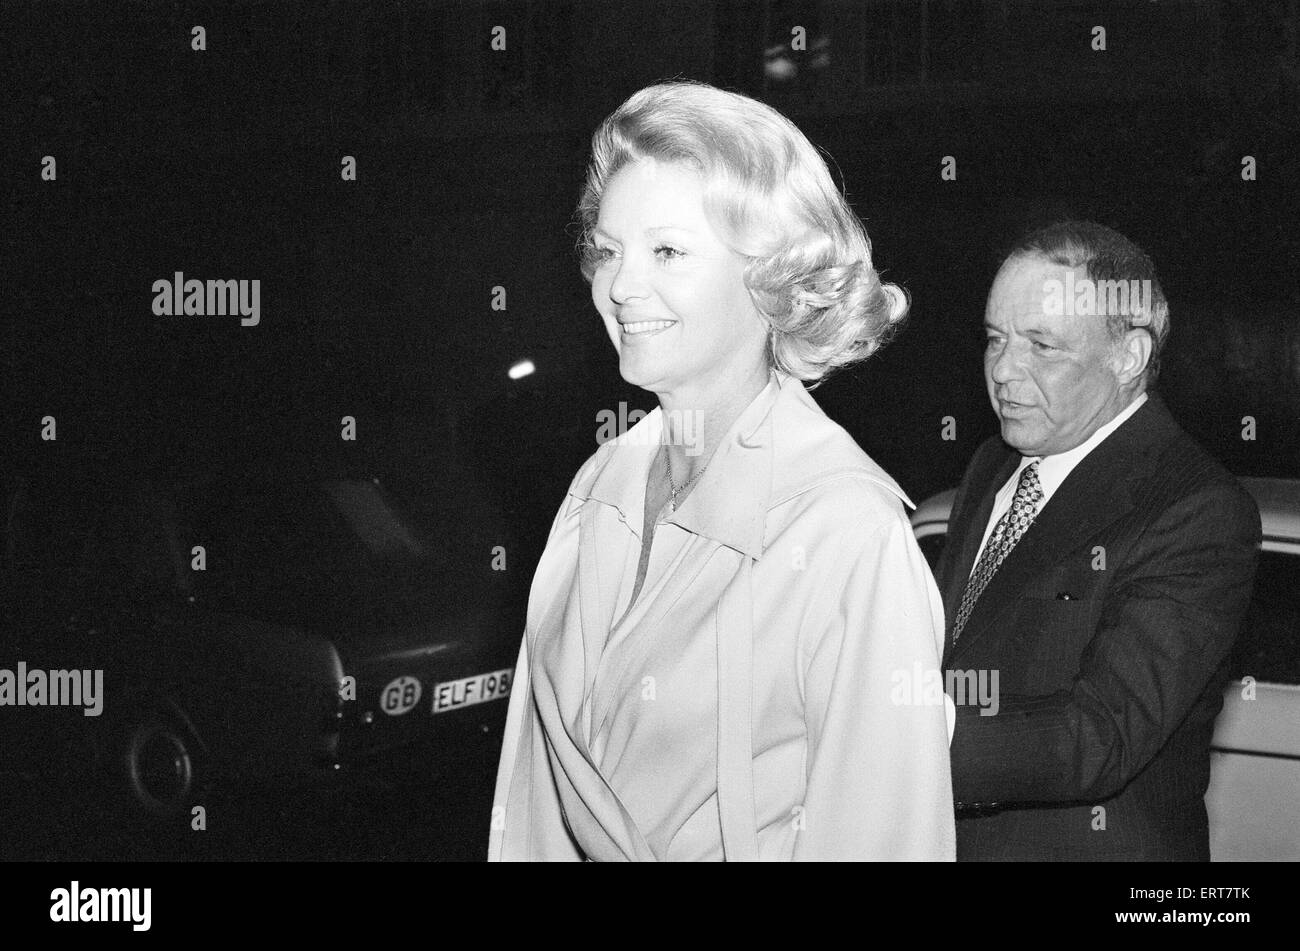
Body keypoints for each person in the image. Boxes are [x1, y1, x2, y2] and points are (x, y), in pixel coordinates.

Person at [488, 80, 955, 861]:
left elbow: (885, 837)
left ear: (773, 279)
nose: (621, 286)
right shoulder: (596, 491)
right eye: (608, 250)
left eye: (667, 250)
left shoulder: (845, 531)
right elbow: (534, 805)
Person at [937, 220, 1261, 860]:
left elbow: (1100, 735)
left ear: (1128, 357)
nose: (1003, 370)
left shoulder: (1196, 510)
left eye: (1042, 346)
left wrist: (885, 741)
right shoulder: (992, 466)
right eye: (995, 339)